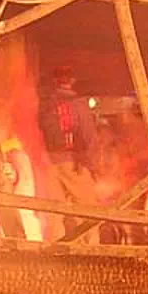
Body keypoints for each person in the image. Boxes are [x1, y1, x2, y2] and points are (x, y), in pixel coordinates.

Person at [38, 66, 99, 242]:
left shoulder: (45, 104)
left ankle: (57, 251)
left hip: (48, 163)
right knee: (87, 212)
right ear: (72, 81)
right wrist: (92, 165)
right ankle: (91, 250)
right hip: (73, 162)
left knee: (54, 214)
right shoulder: (78, 104)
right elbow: (88, 136)